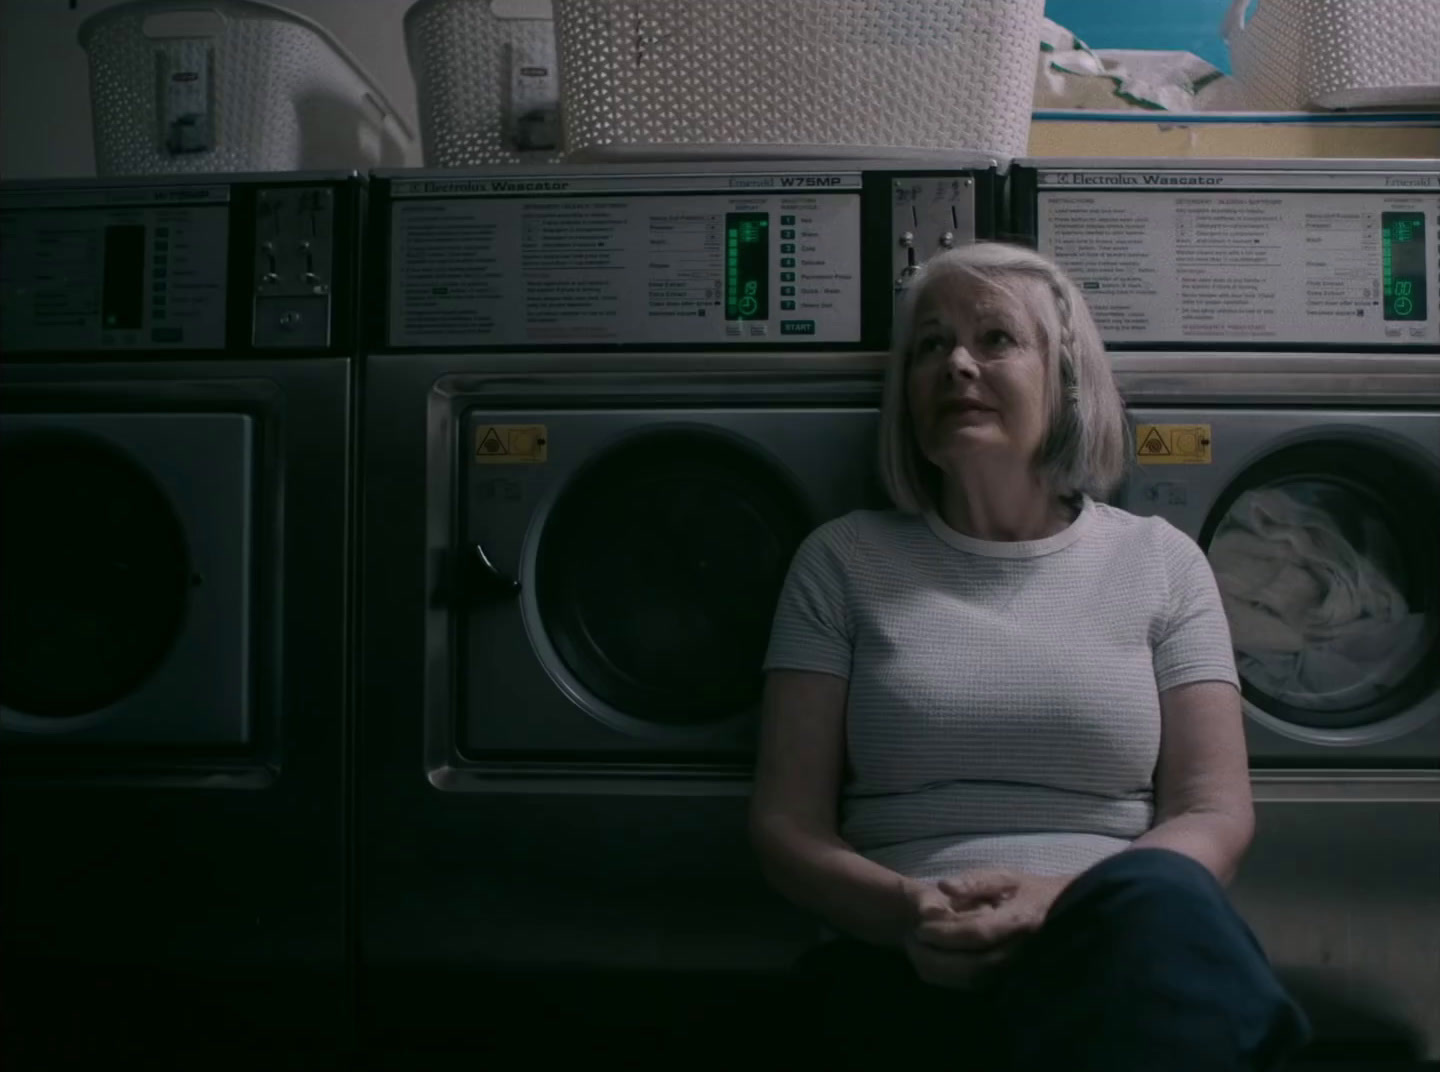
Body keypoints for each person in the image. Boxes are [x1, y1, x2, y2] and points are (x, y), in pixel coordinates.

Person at [748, 242, 1313, 1070]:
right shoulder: (842, 561)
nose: (958, 365)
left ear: (1068, 379)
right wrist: (914, 914)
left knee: (1161, 906)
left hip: (1116, 941)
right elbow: (784, 825)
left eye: (995, 340)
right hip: (906, 951)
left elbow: (1215, 812)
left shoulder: (1161, 562)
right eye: (932, 346)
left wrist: (1066, 903)